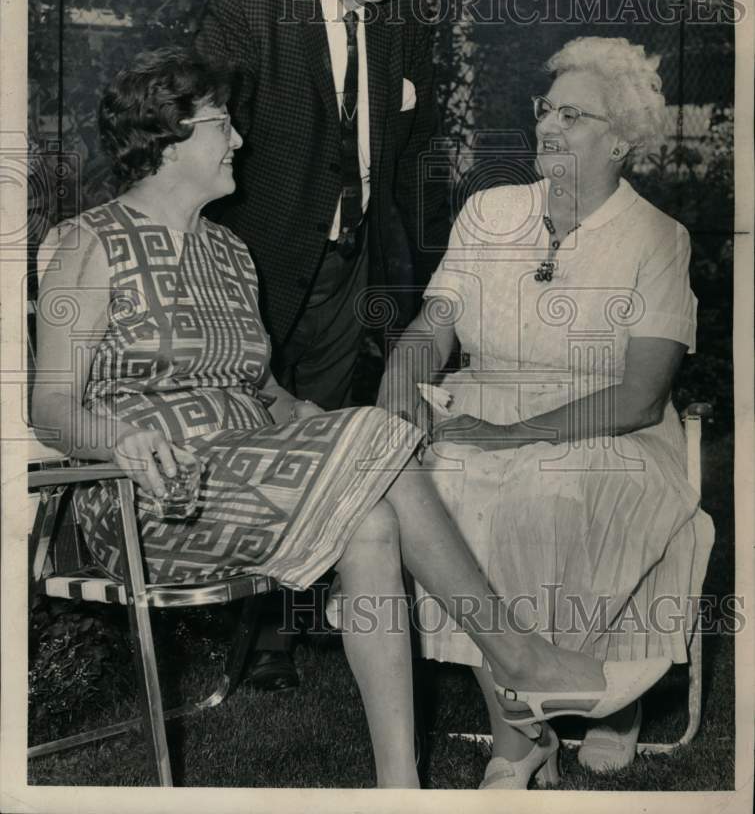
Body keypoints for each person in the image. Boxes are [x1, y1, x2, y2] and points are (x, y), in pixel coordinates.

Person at [33, 48, 671, 789]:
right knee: (379, 436)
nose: (239, 139)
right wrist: (123, 436)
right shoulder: (90, 243)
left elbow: (262, 390)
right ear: (168, 135)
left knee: (372, 518)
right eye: (222, 125)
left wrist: (311, 419)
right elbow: (49, 405)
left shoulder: (230, 254)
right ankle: (523, 659)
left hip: (252, 471)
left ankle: (397, 788)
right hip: (149, 498)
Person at [378, 36, 715, 787]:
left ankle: (602, 697)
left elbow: (638, 394)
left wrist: (511, 434)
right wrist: (398, 393)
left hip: (603, 421)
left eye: (574, 115)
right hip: (482, 401)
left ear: (621, 140)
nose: (548, 127)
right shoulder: (490, 211)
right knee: (440, 485)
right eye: (545, 110)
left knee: (546, 491)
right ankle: (524, 731)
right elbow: (432, 328)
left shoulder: (657, 237)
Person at [194, 0, 449, 683]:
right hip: (257, 264)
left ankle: (303, 619)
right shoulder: (249, 7)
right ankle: (253, 626)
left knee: (329, 430)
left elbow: (409, 129)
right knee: (255, 428)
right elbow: (206, 140)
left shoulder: (403, 15)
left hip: (352, 260)